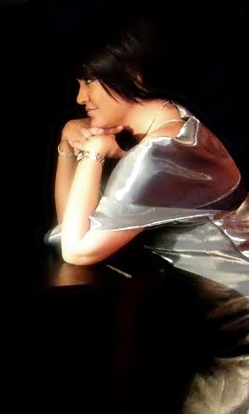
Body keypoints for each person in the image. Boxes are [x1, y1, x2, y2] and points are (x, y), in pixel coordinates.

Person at [47, 18, 249, 413]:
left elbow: (76, 248)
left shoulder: (160, 156)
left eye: (90, 81)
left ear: (134, 76)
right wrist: (68, 144)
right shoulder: (172, 127)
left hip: (240, 331)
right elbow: (71, 225)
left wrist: (92, 153)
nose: (81, 97)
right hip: (215, 323)